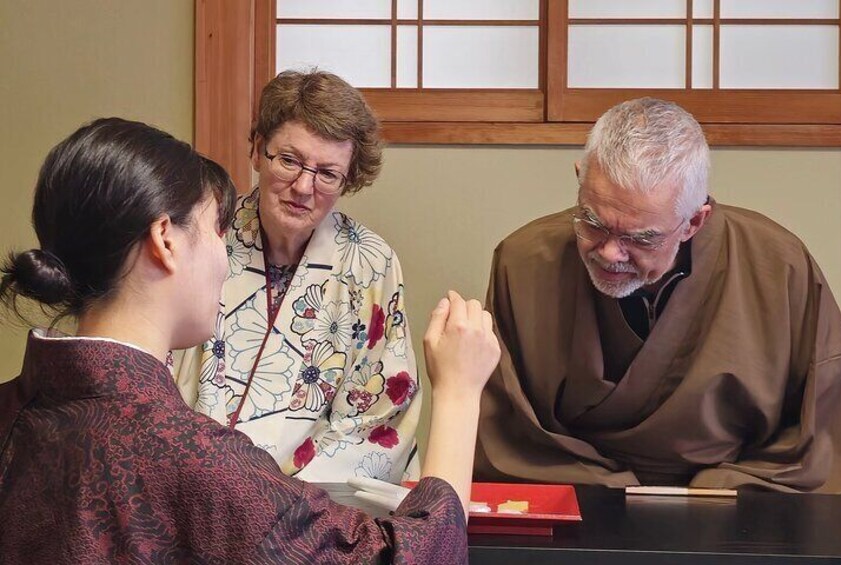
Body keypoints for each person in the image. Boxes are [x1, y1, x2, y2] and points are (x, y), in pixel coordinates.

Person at [0, 117, 500, 563]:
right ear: (165, 241)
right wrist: (458, 394)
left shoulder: (15, 410)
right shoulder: (200, 464)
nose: (226, 251)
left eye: (327, 173)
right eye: (216, 229)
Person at [475, 97, 841, 492]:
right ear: (580, 177)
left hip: (735, 498)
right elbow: (506, 429)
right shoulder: (523, 262)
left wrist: (719, 490)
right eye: (592, 222)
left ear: (694, 221)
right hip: (576, 491)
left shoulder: (778, 265)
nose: (609, 252)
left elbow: (823, 425)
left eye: (641, 238)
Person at [172, 69, 421, 482]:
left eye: (327, 174)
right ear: (257, 150)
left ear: (348, 179)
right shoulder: (202, 237)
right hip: (196, 492)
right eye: (289, 160)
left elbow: (379, 415)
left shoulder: (370, 264)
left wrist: (282, 504)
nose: (304, 187)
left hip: (312, 515)